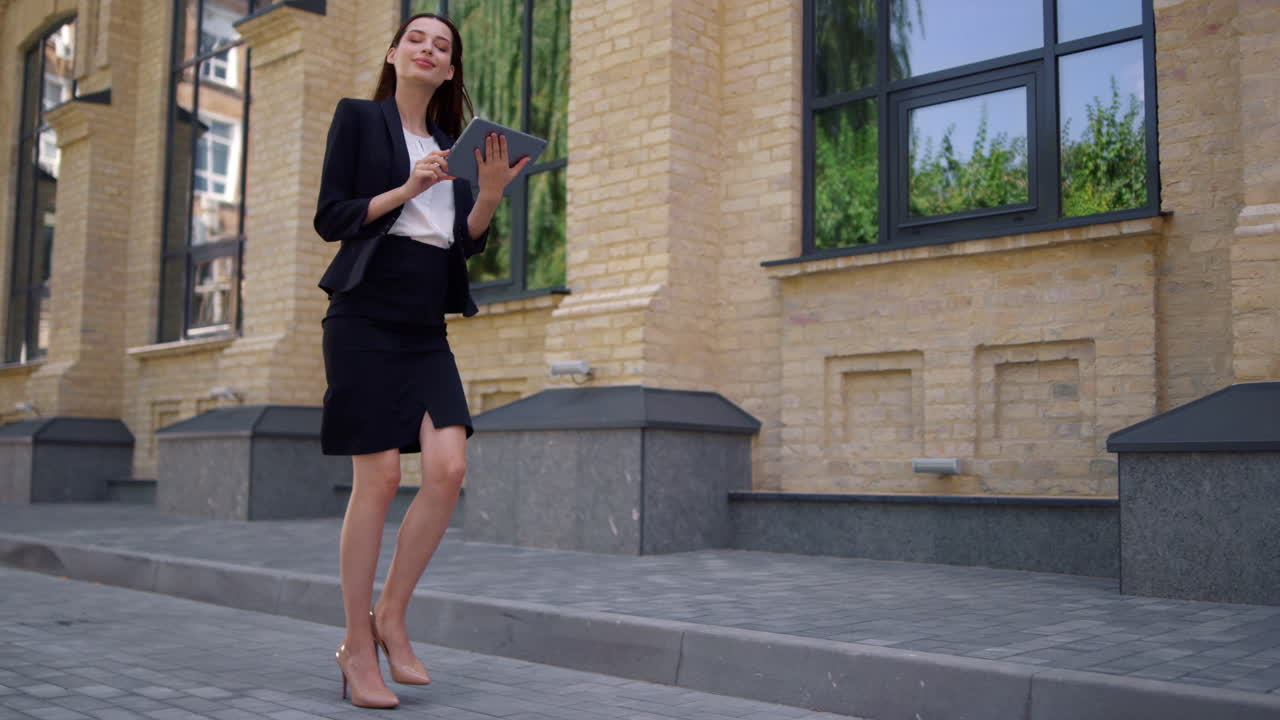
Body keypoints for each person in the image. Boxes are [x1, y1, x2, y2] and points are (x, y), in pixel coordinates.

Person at [313, 12, 530, 709]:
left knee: (448, 468)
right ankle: (355, 644)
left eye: (443, 46)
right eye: (418, 39)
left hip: (424, 324)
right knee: (376, 479)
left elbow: (463, 242)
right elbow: (331, 217)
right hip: (364, 313)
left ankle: (392, 615)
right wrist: (408, 187)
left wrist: (490, 192)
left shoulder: (455, 146)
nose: (430, 50)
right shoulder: (359, 119)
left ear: (450, 69)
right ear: (394, 53)